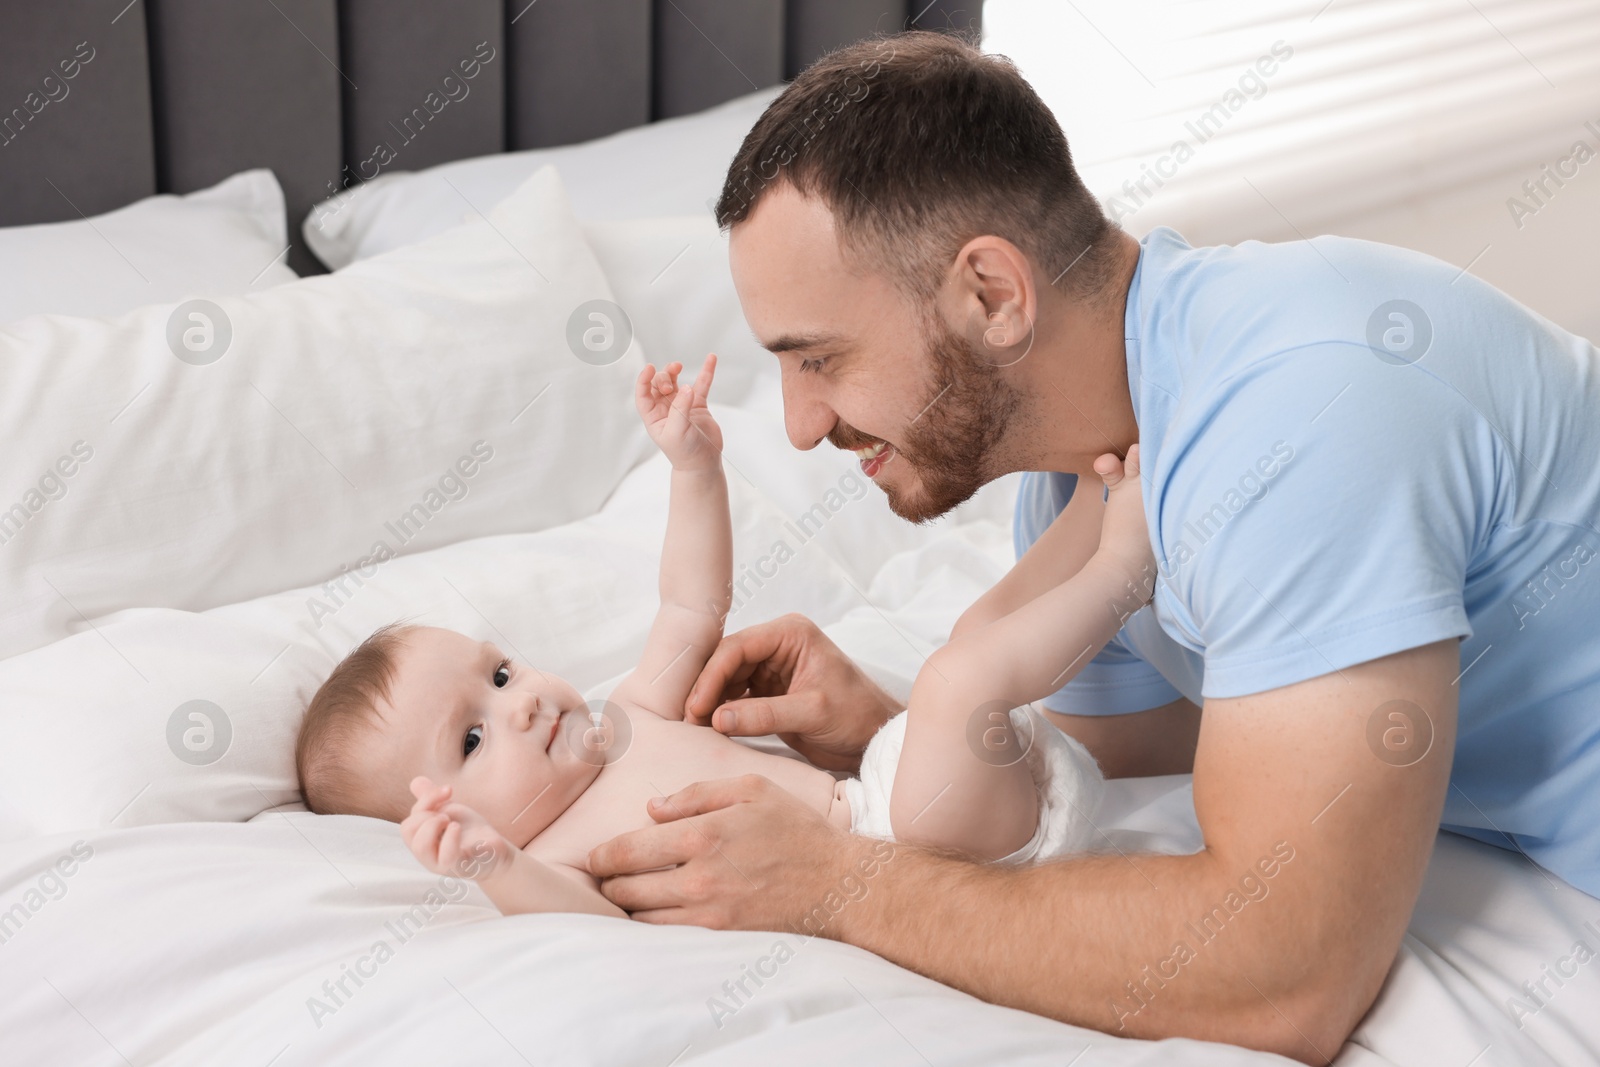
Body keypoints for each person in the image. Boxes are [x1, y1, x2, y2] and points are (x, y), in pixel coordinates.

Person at [583, 30, 1600, 1064]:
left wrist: (830, 883)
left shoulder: (1300, 419)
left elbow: (1288, 973)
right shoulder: (1086, 473)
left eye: (820, 358)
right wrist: (892, 737)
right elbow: (1126, 775)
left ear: (991, 293)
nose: (800, 423)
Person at [293, 354, 1146, 917]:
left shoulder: (627, 717)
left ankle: (1097, 491)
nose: (517, 708)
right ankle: (1121, 575)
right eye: (472, 737)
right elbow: (577, 923)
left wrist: (693, 469)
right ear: (447, 813)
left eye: (503, 674)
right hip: (904, 850)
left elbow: (690, 604)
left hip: (912, 794)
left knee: (972, 637)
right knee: (962, 678)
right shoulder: (556, 854)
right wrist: (491, 865)